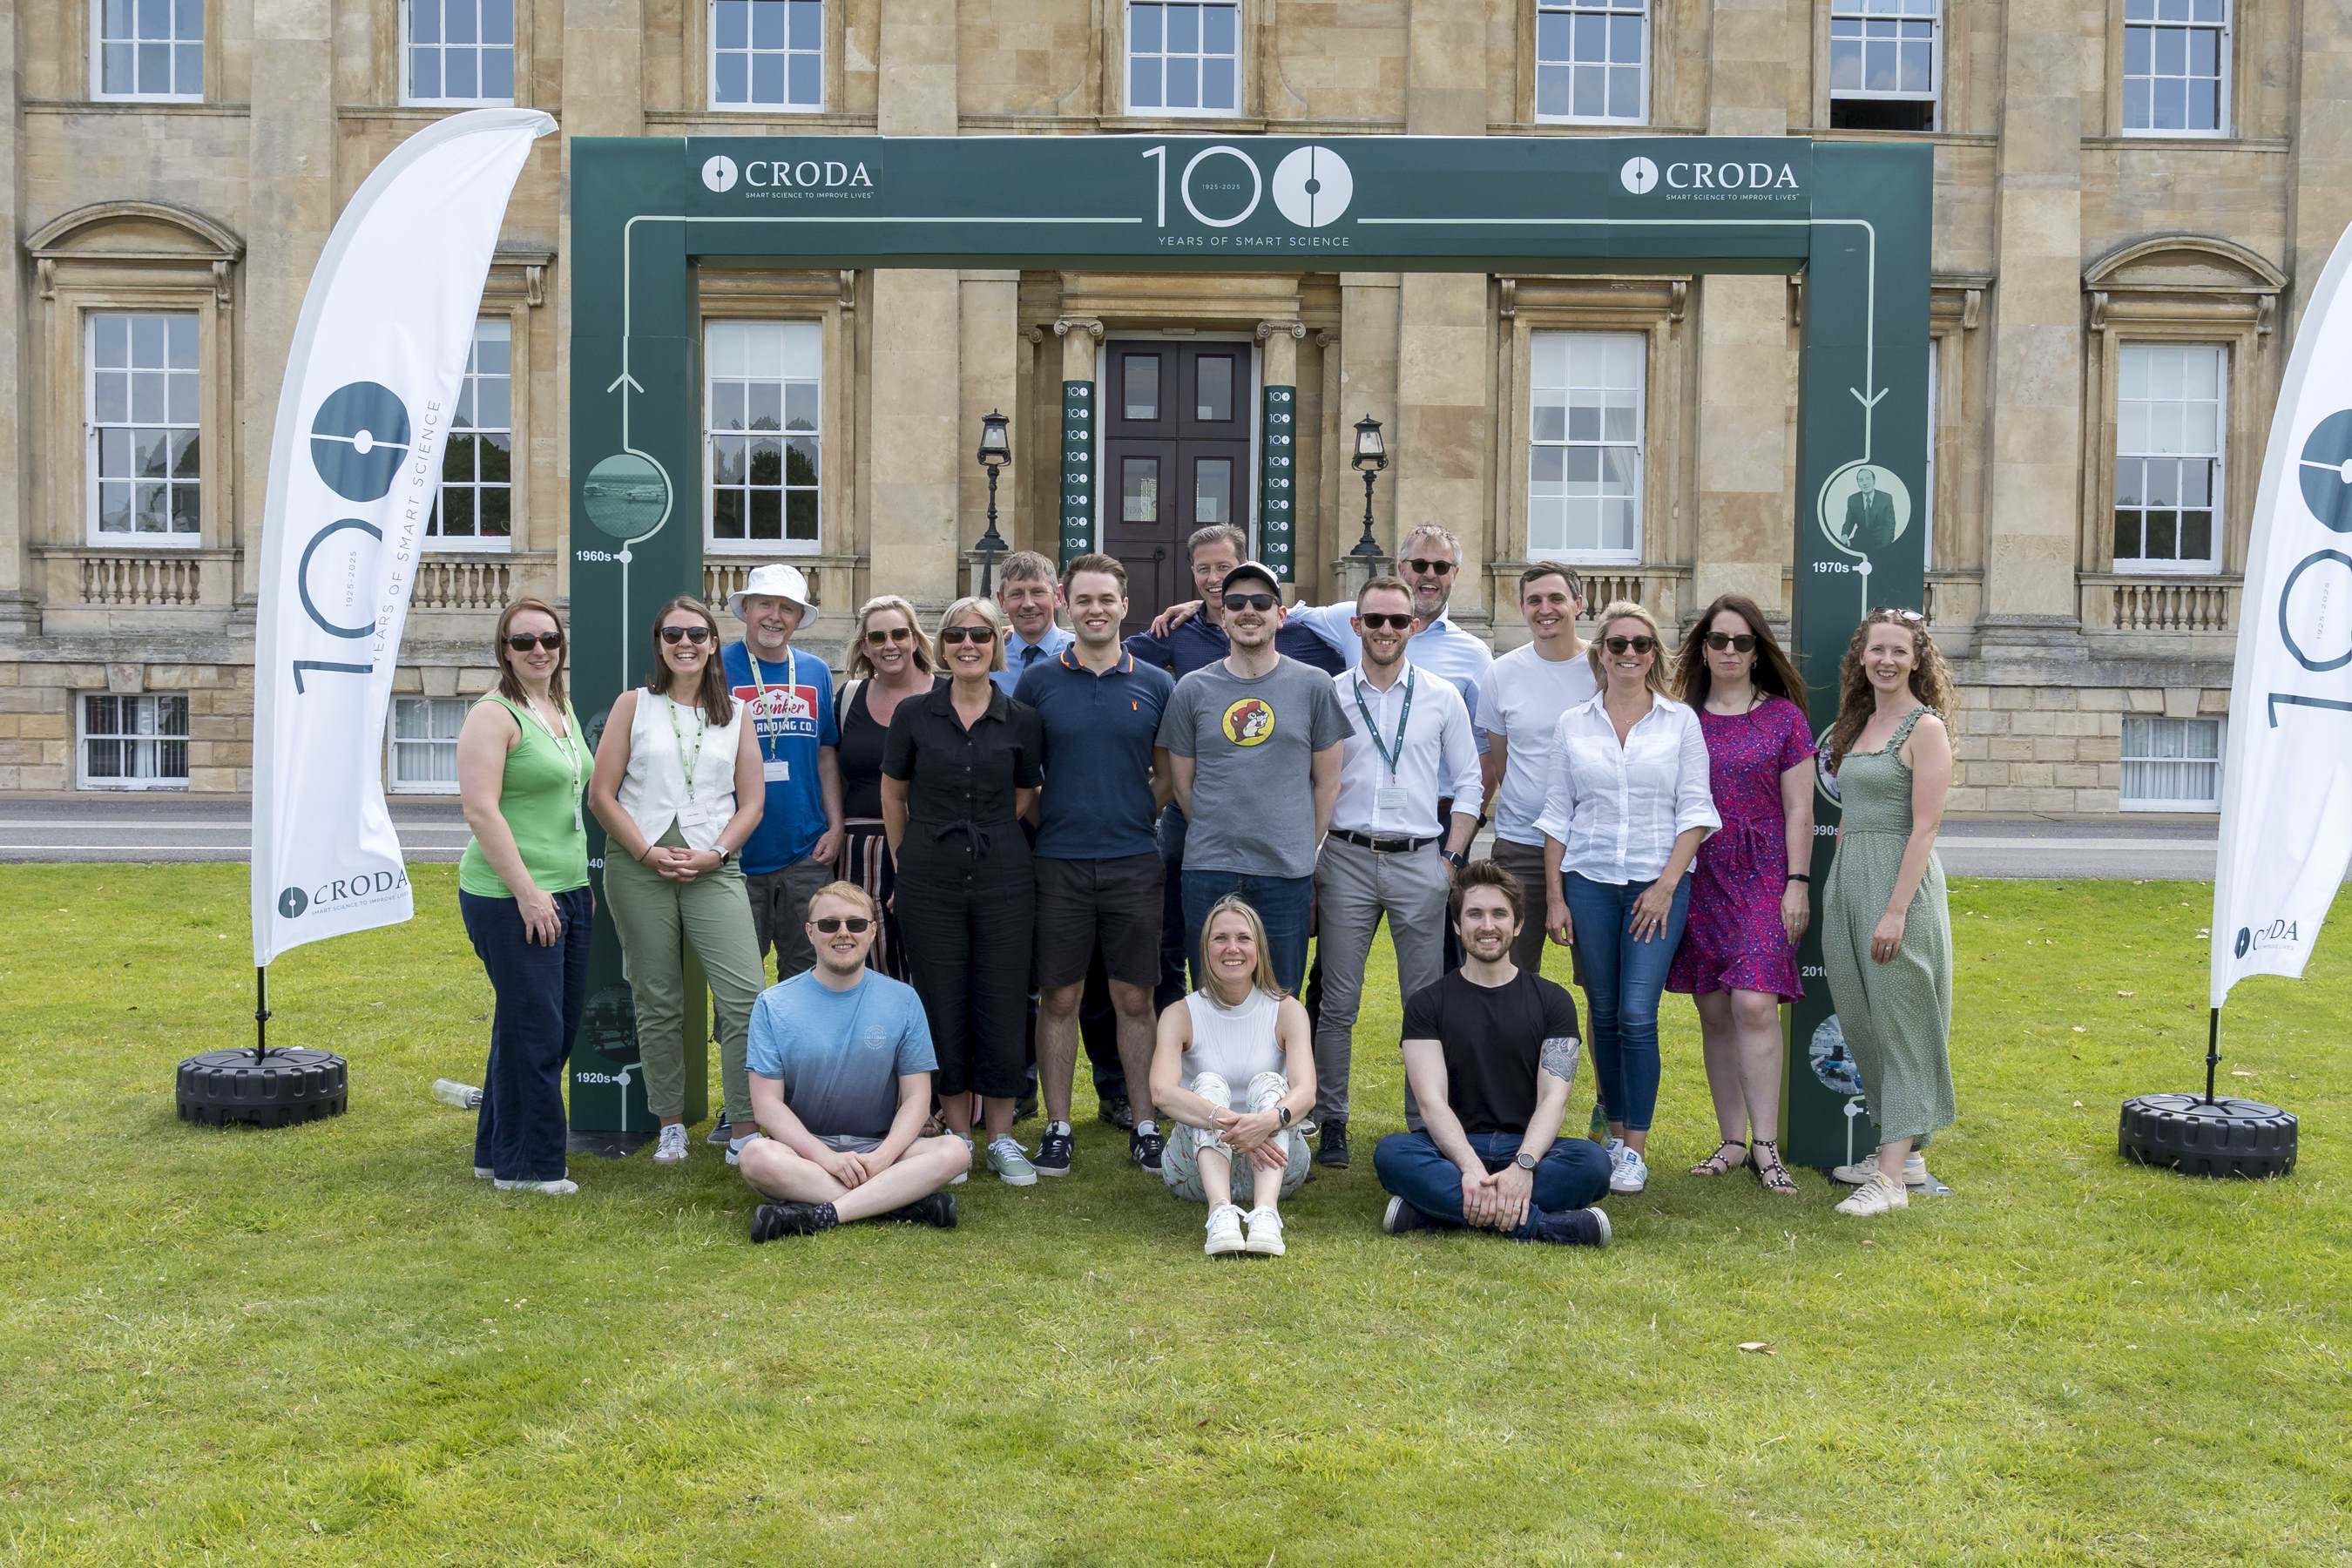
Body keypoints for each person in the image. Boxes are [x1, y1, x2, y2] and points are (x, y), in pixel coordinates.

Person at [1127, 524, 1346, 1017]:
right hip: (1208, 864)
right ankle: (1210, 1094)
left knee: (1281, 993)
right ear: (1220, 615)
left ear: (1281, 614)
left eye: (1262, 602)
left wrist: (1301, 843)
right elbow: (1181, 781)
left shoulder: (1313, 685)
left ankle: (1278, 1094)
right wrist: (1215, 825)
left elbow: (1328, 780)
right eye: (1237, 603)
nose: (1249, 611)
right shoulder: (1192, 690)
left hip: (1285, 869)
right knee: (1211, 995)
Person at [1538, 599, 1719, 1197]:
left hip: (1656, 886)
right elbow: (1558, 816)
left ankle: (1635, 1149)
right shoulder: (1574, 723)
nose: (1629, 655)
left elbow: (1695, 810)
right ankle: (1614, 1136)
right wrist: (1556, 898)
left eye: (1641, 645)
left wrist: (1667, 885)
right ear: (1601, 654)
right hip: (1589, 883)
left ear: (1654, 656)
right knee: (1606, 1014)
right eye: (1618, 644)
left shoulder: (1680, 723)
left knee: (1639, 1016)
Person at [589, 596, 769, 1169]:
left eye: (697, 633)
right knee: (658, 998)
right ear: (660, 645)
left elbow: (753, 801)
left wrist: (716, 854)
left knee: (744, 999)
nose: (685, 642)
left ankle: (744, 1127)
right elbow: (601, 793)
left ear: (714, 643)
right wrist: (643, 850)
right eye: (674, 635)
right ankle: (669, 1124)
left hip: (713, 866)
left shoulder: (736, 713)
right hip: (638, 866)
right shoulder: (633, 705)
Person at [1309, 576, 1483, 1170]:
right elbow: (1314, 782)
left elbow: (1469, 783)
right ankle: (1331, 1119)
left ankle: (1423, 1121)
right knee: (1338, 1001)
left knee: (1425, 1003)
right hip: (1349, 858)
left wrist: (1452, 859)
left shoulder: (1441, 695)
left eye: (1398, 621)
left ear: (1415, 626)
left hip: (1420, 861)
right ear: (1355, 626)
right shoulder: (1328, 693)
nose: (1386, 630)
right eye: (1375, 620)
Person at [1015, 553, 1177, 1176]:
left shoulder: (1155, 682)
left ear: (1123, 605)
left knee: (1134, 996)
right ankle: (1057, 1126)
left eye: (1106, 599)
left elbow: (1165, 776)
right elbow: (1027, 775)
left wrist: (1134, 812)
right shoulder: (1040, 682)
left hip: (1134, 860)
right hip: (1057, 861)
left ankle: (1143, 1123)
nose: (1095, 609)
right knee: (1059, 995)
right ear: (1065, 602)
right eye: (1083, 599)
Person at [882, 595, 1046, 1185]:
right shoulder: (914, 716)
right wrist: (906, 864)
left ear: (996, 643)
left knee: (1003, 1000)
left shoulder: (1022, 717)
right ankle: (955, 1136)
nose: (968, 646)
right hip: (930, 873)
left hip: (1004, 871)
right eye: (956, 636)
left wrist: (995, 830)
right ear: (942, 645)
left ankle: (1000, 1137)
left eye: (979, 635)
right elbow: (894, 793)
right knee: (940, 999)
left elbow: (1028, 793)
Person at [1373, 862, 1613, 1246]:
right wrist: (1468, 1168)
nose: (1487, 926)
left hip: (1528, 1145)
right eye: (1475, 914)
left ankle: (1430, 1213)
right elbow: (1431, 1103)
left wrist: (1523, 1165)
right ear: (1457, 925)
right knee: (1392, 1153)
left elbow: (1555, 1099)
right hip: (1451, 1148)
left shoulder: (1553, 1001)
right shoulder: (1426, 1005)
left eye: (1499, 914)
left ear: (1517, 925)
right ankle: (1548, 1227)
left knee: (1595, 1164)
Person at [1666, 594, 1816, 1195]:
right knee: (1712, 1009)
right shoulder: (1680, 717)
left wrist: (1797, 883)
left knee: (1754, 1004)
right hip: (1699, 872)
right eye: (1719, 640)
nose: (1730, 650)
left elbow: (1801, 807)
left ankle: (1766, 1145)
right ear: (1703, 648)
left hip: (1762, 872)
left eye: (1742, 641)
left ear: (1758, 651)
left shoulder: (1783, 718)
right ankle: (1731, 1141)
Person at [454, 598, 594, 1194]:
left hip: (569, 888)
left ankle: (496, 1152)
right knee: (537, 1032)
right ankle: (532, 1167)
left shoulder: (558, 704)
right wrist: (529, 894)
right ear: (503, 650)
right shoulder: (494, 715)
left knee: (538, 1029)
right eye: (523, 642)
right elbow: (481, 811)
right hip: (514, 896)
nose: (539, 650)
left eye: (549, 639)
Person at [1820, 608, 1957, 1217]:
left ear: (1917, 660)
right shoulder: (1862, 722)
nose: (1886, 661)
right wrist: (1837, 889)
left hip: (1899, 888)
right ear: (1863, 657)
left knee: (1902, 1024)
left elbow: (1925, 827)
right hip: (1850, 883)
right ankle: (1902, 1153)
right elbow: (1851, 811)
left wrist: (1896, 910)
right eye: (1877, 650)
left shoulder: (1924, 728)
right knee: (1861, 1021)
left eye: (1899, 651)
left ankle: (1892, 1181)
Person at [740, 882, 971, 1239]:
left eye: (856, 924)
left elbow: (916, 1098)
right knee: (755, 1156)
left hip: (879, 1148)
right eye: (829, 924)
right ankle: (899, 1204)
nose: (843, 933)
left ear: (873, 930)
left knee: (955, 1151)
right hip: (804, 1150)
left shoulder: (904, 1000)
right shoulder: (773, 1004)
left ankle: (823, 1212)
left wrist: (882, 1158)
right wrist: (826, 1158)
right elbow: (767, 1107)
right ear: (810, 932)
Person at [1145, 521, 1490, 719]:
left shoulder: (1473, 654)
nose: (1429, 575)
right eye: (1419, 565)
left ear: (1455, 574)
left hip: (1436, 811)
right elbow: (1274, 610)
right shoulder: (1346, 617)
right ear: (1402, 569)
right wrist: (1212, 602)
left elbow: (1484, 748)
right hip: (1354, 810)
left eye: (1440, 567)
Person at [1148, 896, 1316, 1258]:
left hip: (1278, 1165)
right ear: (1205, 949)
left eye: (1243, 938)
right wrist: (1232, 1124)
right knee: (1207, 1085)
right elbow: (1161, 1092)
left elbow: (1306, 1092)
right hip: (1195, 1170)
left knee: (1270, 1083)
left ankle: (1266, 1214)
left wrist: (1266, 1121)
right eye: (1220, 938)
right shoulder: (1180, 1013)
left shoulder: (1287, 1010)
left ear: (1259, 948)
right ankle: (1220, 1213)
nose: (1232, 948)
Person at [722, 563, 845, 989]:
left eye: (787, 608)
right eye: (765, 605)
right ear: (747, 609)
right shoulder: (714, 667)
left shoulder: (815, 672)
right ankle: (745, 1059)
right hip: (736, 853)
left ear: (798, 618)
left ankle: (800, 1057)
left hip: (806, 853)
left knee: (810, 977)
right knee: (739, 987)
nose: (775, 616)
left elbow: (825, 753)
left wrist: (836, 824)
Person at [1477, 564, 1596, 977]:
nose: (1546, 609)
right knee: (1510, 976)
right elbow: (1502, 760)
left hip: (1590, 847)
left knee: (1601, 986)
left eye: (1557, 598)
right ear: (1523, 607)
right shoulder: (1501, 673)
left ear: (1578, 604)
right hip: (1521, 844)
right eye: (1535, 600)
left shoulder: (1605, 667)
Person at [834, 593, 935, 982]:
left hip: (924, 842)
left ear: (915, 638)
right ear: (865, 646)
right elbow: (836, 771)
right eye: (878, 638)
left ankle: (924, 1041)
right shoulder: (848, 697)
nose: (889, 645)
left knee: (925, 957)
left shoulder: (944, 695)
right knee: (861, 957)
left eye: (898, 634)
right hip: (858, 849)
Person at [991, 550, 1076, 694]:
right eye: (1016, 594)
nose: (1028, 604)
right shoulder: (989, 659)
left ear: (1058, 596)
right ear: (1001, 601)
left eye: (1038, 592)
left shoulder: (1080, 653)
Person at [1842, 466, 1900, 553]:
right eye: (1861, 480)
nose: (1865, 483)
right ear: (1858, 483)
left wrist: (1884, 549)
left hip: (1880, 542)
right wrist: (1845, 535)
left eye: (1868, 479)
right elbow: (1849, 522)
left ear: (1874, 480)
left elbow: (1889, 526)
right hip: (1860, 542)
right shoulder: (1853, 499)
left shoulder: (1886, 498)